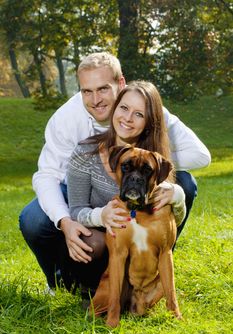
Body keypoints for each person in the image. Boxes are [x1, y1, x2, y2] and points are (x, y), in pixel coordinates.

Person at [19, 52, 211, 293]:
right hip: (80, 190)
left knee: (184, 183)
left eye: (103, 89)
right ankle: (58, 280)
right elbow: (46, 175)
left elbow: (201, 155)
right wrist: (65, 221)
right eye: (86, 91)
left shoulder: (145, 105)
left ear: (121, 84)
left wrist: (153, 164)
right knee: (33, 219)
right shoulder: (66, 119)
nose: (95, 100)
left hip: (135, 189)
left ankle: (152, 262)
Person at [64, 80, 187, 292]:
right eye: (124, 108)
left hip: (142, 240)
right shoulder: (86, 151)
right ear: (115, 107)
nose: (128, 118)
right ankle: (85, 285)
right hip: (104, 239)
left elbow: (172, 220)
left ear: (150, 121)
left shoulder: (155, 158)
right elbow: (75, 210)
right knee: (90, 241)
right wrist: (100, 215)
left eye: (139, 114)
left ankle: (149, 270)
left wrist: (177, 195)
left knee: (187, 184)